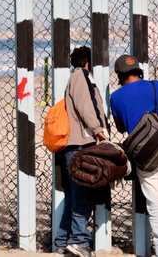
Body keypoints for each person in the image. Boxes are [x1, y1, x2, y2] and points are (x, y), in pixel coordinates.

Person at [110, 54, 158, 257]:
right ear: (138, 70)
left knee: (154, 203)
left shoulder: (116, 96)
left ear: (119, 74)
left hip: (145, 155)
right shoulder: (156, 85)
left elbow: (121, 127)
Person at [54, 46, 108, 257]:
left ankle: (61, 242)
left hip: (73, 147)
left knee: (74, 196)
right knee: (83, 194)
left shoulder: (74, 77)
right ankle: (79, 241)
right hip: (81, 146)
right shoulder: (82, 75)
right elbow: (87, 105)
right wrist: (98, 130)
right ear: (88, 63)